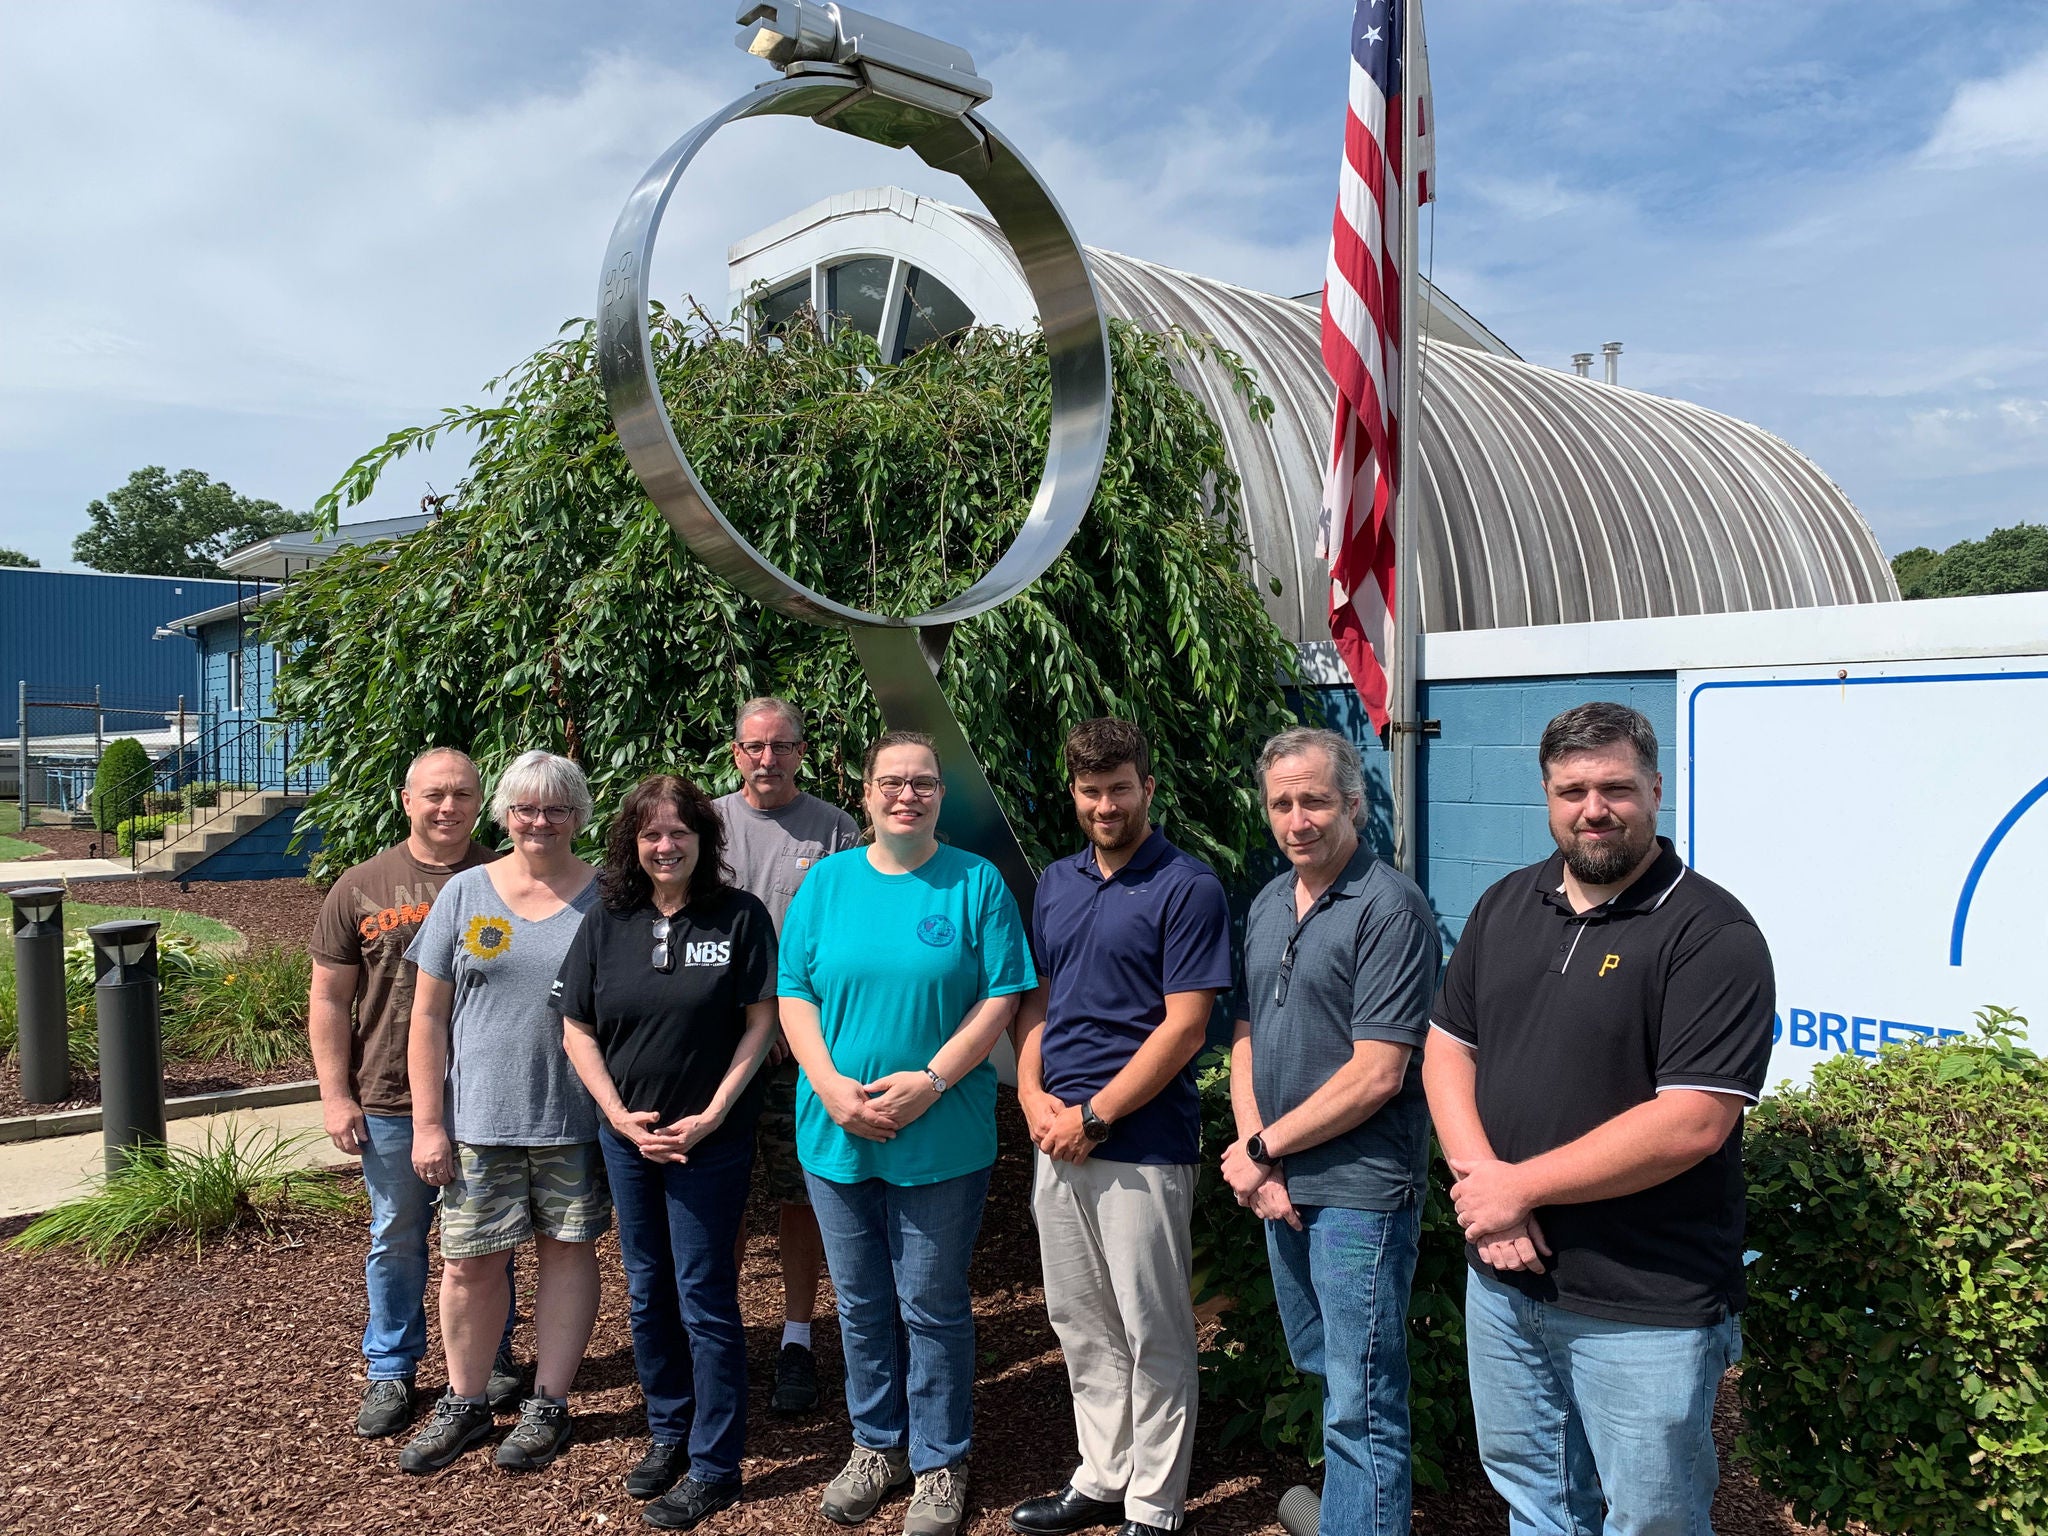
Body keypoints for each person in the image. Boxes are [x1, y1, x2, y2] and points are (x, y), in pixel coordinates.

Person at [1422, 702, 1773, 1536]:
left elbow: (1693, 1121)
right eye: (1571, 790)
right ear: (1547, 796)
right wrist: (1489, 1194)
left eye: (1615, 787)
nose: (1594, 809)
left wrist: (1519, 1190)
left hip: (1642, 1303)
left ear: (1655, 790)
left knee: (1652, 1520)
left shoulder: (1711, 933)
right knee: (1536, 1501)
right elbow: (1447, 1050)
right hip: (1504, 1284)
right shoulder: (1506, 904)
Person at [778, 730, 1036, 1536]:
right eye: (891, 781)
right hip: (838, 1132)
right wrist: (830, 1087)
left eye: (923, 783)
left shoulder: (975, 882)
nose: (907, 795)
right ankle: (876, 1446)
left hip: (942, 1133)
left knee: (930, 1302)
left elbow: (1002, 995)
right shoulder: (827, 883)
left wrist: (930, 1082)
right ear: (865, 793)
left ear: (940, 796)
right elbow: (794, 992)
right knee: (860, 1303)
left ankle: (939, 1461)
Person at [1011, 718, 1231, 1536]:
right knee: (1081, 1321)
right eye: (1091, 791)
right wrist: (1030, 1094)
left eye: (1120, 789)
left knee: (1152, 1327)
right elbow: (1039, 998)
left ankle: (1154, 1503)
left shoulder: (1187, 887)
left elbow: (1186, 1026)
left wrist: (1096, 1118)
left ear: (1148, 787)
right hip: (1056, 1136)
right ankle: (1102, 1476)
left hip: (1141, 1144)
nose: (1106, 805)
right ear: (1074, 794)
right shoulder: (1056, 883)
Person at [1223, 727, 1440, 1536]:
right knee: (1327, 1372)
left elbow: (1378, 1072)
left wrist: (1261, 1150)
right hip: (1279, 1182)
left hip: (1357, 1191)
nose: (1297, 819)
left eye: (1314, 800)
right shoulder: (1268, 901)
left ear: (1354, 804)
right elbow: (1246, 1034)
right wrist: (1259, 1156)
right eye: (1281, 803)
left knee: (1362, 1400)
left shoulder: (1390, 908)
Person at [559, 774, 781, 1528]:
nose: (665, 846)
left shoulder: (740, 916)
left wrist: (714, 1114)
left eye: (679, 832)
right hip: (628, 1141)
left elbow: (761, 1022)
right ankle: (669, 1433)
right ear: (632, 842)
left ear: (702, 839)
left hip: (707, 1143)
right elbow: (576, 1026)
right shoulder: (606, 918)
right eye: (651, 833)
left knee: (704, 1295)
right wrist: (618, 1118)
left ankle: (716, 1464)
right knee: (648, 1289)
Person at [399, 749, 608, 1475]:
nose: (539, 822)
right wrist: (429, 1123)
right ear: (505, 815)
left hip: (574, 1119)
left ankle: (549, 1403)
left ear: (578, 816)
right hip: (479, 1121)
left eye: (556, 809)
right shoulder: (466, 892)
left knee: (567, 1254)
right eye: (525, 808)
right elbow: (428, 1017)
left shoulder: (609, 897)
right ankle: (464, 1401)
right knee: (467, 1265)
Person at [307, 746, 525, 1438]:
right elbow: (328, 999)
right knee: (397, 1236)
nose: (448, 807)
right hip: (389, 1097)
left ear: (480, 802)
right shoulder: (362, 886)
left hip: (484, 1095)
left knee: (487, 1238)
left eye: (462, 794)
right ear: (407, 801)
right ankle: (392, 1368)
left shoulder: (508, 876)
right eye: (434, 794)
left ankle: (490, 1354)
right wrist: (335, 1094)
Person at [713, 695, 859, 1415]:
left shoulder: (836, 831)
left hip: (802, 1054)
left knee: (799, 1197)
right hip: (716, 1050)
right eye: (754, 746)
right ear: (735, 752)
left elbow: (839, 941)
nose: (766, 759)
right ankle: (723, 1335)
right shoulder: (704, 824)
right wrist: (750, 1020)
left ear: (801, 751)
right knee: (721, 1200)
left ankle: (797, 1340)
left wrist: (784, 1025)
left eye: (781, 746)